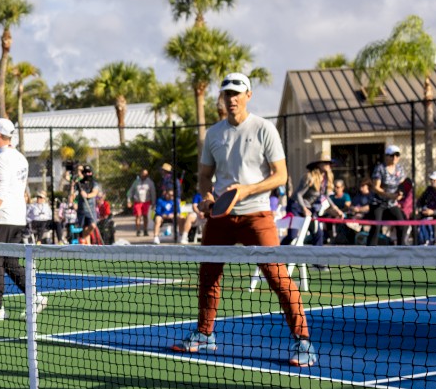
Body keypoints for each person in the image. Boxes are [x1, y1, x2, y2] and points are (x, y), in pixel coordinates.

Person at [171, 73, 314, 368]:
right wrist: (207, 197)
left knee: (277, 276)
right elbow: (203, 177)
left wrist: (246, 190)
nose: (231, 98)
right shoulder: (213, 134)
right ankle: (204, 334)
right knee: (208, 275)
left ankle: (303, 341)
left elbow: (281, 175)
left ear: (248, 95)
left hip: (257, 215)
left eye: (237, 92)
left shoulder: (264, 129)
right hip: (221, 217)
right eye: (227, 93)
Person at [0, 118, 45, 321]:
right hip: (15, 219)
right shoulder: (21, 158)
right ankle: (35, 297)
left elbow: (1, 191)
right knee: (10, 261)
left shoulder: (2, 159)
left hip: (0, 219)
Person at [367, 145, 408, 246]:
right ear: (386, 156)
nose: (395, 158)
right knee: (376, 226)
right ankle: (370, 251)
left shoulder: (399, 169)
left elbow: (403, 185)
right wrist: (389, 195)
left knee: (402, 224)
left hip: (392, 203)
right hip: (378, 203)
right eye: (392, 155)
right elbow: (376, 188)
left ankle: (401, 248)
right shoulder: (380, 168)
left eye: (397, 155)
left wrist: (400, 194)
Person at [126, 168, 156, 237]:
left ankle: (145, 230)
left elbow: (153, 193)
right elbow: (130, 192)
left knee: (145, 216)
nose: (144, 175)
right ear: (141, 174)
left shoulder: (150, 182)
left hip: (146, 202)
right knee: (138, 216)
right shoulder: (136, 182)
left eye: (146, 174)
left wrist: (153, 203)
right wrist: (129, 200)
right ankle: (138, 230)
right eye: (143, 173)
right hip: (138, 201)